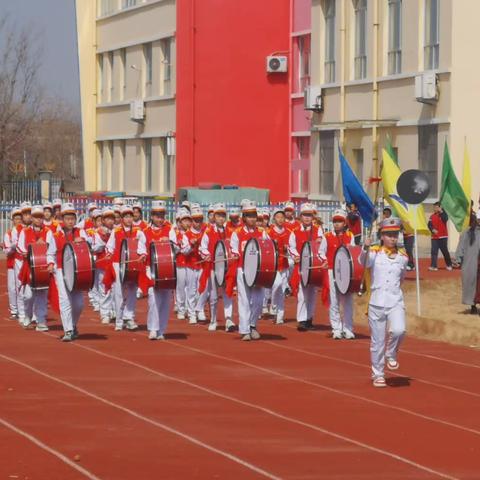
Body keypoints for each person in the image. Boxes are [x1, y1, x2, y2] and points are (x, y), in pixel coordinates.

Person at [361, 217, 408, 388]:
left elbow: (401, 279)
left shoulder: (403, 257)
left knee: (399, 330)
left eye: (395, 234)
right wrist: (365, 247)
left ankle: (391, 353)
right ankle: (378, 373)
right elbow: (363, 262)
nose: (392, 238)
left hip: (395, 300)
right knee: (377, 341)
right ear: (382, 236)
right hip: (377, 301)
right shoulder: (374, 253)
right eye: (388, 235)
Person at [140, 200, 184, 340]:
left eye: (162, 216)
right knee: (153, 299)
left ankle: (162, 330)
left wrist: (170, 242)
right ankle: (153, 328)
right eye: (157, 216)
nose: (160, 219)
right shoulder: (144, 232)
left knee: (166, 300)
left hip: (168, 268)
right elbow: (142, 250)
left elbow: (177, 248)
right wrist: (142, 255)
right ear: (152, 216)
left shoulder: (169, 230)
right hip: (151, 269)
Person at [47, 203, 89, 341]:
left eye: (72, 218)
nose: (70, 221)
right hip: (60, 270)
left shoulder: (81, 232)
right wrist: (51, 264)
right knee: (64, 300)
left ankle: (73, 325)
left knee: (79, 304)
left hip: (77, 270)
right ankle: (68, 331)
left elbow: (91, 245)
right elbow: (50, 253)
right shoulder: (55, 235)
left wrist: (83, 241)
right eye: (67, 218)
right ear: (62, 219)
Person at [230, 200, 269, 340]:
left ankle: (252, 325)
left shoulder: (262, 232)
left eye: (254, 216)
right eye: (249, 216)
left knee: (259, 300)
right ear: (244, 217)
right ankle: (245, 329)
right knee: (244, 300)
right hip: (243, 269)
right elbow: (233, 249)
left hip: (259, 272)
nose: (252, 219)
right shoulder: (237, 233)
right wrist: (234, 254)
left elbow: (268, 249)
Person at [105, 204, 146, 331]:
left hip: (134, 263)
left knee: (133, 289)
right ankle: (119, 319)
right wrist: (109, 253)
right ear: (122, 218)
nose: (129, 219)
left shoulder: (138, 232)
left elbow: (142, 246)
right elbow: (109, 246)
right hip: (118, 263)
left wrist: (143, 255)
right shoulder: (116, 231)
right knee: (119, 292)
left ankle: (129, 317)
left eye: (130, 216)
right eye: (126, 216)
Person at [288, 203, 327, 331]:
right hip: (302, 266)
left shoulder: (318, 230)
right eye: (305, 215)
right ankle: (302, 320)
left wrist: (321, 257)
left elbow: (322, 246)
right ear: (300, 216)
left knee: (312, 293)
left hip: (315, 266)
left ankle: (310, 318)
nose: (307, 218)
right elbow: (291, 247)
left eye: (309, 215)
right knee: (303, 293)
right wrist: (295, 256)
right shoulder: (295, 232)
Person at [198, 203, 236, 332]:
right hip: (214, 268)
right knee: (213, 295)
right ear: (214, 217)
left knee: (228, 292)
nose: (221, 218)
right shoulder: (208, 231)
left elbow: (234, 247)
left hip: (228, 267)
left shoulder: (230, 231)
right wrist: (207, 255)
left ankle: (229, 319)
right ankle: (213, 319)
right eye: (218, 215)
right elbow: (202, 247)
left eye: (223, 216)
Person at [16, 205, 50, 330]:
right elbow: (20, 248)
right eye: (36, 217)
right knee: (28, 295)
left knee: (42, 294)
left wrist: (45, 245)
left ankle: (41, 320)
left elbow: (52, 247)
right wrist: (33, 247)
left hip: (43, 267)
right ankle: (28, 315)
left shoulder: (48, 231)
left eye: (40, 217)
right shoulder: (25, 231)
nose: (38, 220)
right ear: (31, 218)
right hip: (29, 266)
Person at [325, 209, 356, 339]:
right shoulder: (327, 236)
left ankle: (348, 328)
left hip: (346, 272)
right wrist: (324, 261)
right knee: (334, 300)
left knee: (347, 300)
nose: (337, 224)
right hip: (332, 271)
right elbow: (321, 252)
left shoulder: (350, 236)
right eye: (335, 221)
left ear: (344, 223)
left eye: (340, 221)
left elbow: (353, 252)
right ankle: (336, 328)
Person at [91, 206, 116, 324]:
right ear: (103, 220)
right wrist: (104, 241)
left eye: (112, 218)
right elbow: (94, 247)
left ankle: (115, 311)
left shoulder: (117, 230)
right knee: (104, 289)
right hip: (103, 263)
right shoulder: (97, 232)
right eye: (108, 219)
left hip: (114, 263)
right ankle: (105, 313)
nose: (110, 221)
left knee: (116, 288)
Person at [267, 207, 290, 324]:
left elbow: (292, 248)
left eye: (282, 217)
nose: (280, 219)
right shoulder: (269, 232)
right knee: (277, 284)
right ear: (274, 218)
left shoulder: (289, 232)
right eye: (278, 217)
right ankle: (273, 305)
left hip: (284, 265)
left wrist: (288, 250)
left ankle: (280, 316)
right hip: (274, 265)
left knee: (281, 290)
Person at [454, 211, 480, 314]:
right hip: (471, 264)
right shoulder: (467, 233)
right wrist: (458, 259)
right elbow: (461, 247)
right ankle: (473, 306)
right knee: (471, 285)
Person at [12, 202, 32, 327]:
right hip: (20, 261)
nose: (28, 216)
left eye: (30, 213)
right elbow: (15, 245)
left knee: (33, 288)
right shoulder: (17, 229)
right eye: (25, 214)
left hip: (32, 261)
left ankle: (32, 314)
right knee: (21, 287)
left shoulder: (35, 228)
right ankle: (22, 314)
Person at [185, 205, 206, 324]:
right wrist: (191, 245)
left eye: (200, 220)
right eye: (195, 220)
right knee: (191, 290)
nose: (198, 223)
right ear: (191, 221)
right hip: (191, 265)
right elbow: (184, 251)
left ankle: (200, 309)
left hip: (202, 265)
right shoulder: (187, 234)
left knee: (202, 289)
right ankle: (192, 313)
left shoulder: (205, 233)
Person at [3, 206, 22, 319]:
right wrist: (13, 247)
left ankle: (22, 310)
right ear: (12, 220)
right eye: (16, 218)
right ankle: (14, 310)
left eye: (20, 218)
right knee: (12, 288)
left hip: (22, 263)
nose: (18, 220)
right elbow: (6, 250)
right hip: (12, 264)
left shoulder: (25, 231)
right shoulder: (8, 233)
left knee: (21, 287)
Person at [174, 208, 192, 320]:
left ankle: (188, 308)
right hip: (180, 263)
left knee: (190, 288)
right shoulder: (175, 233)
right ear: (179, 222)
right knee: (180, 287)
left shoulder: (192, 233)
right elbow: (174, 250)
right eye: (184, 221)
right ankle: (180, 309)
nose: (186, 223)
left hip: (191, 264)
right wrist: (178, 246)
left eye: (188, 220)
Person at [428, 201, 453, 271]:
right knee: (434, 252)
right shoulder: (432, 216)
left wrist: (441, 211)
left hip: (443, 237)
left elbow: (445, 219)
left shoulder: (443, 214)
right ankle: (434, 266)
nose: (434, 209)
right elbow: (429, 225)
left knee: (445, 251)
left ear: (440, 207)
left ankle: (449, 265)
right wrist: (432, 229)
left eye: (436, 207)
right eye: (434, 207)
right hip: (434, 237)